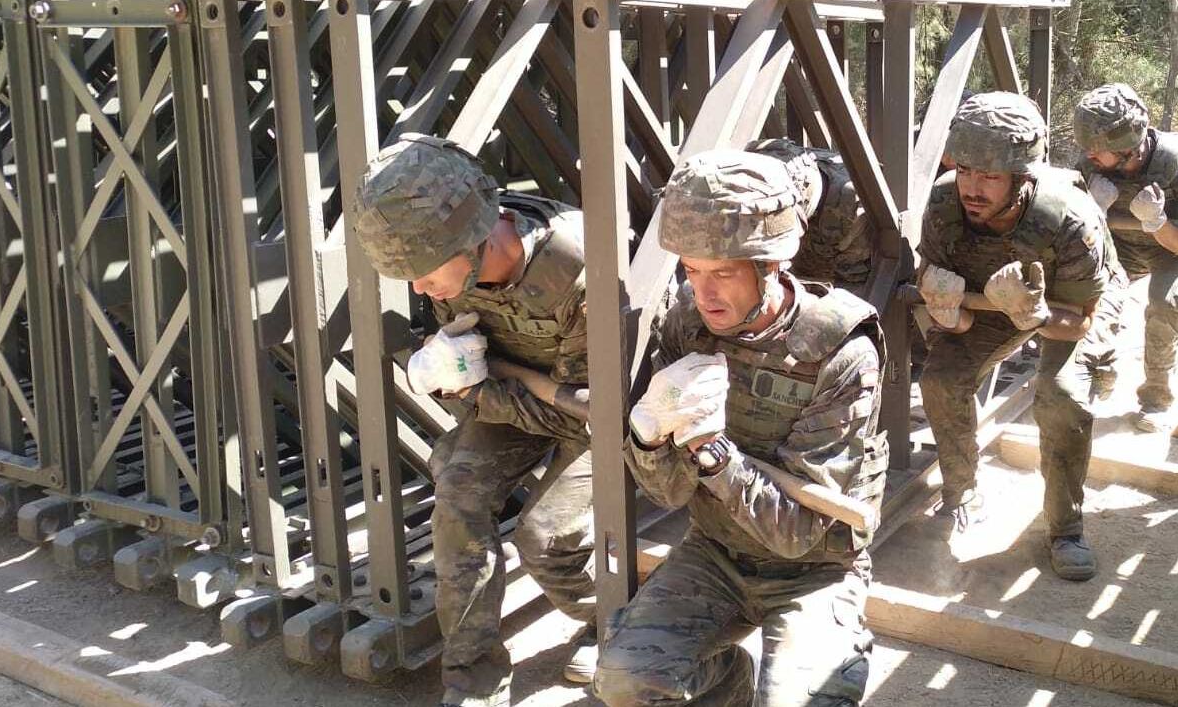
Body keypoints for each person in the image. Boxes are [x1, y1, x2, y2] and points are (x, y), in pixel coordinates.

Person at [594, 149, 887, 706]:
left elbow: (797, 535)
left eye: (723, 273)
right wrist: (650, 435)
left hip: (813, 571)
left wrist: (711, 450)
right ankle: (729, 685)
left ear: (772, 264)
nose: (704, 294)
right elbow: (669, 492)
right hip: (716, 554)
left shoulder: (840, 350)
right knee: (624, 680)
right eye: (691, 270)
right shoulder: (688, 322)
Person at [348, 133, 595, 707]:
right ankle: (472, 680)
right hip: (521, 399)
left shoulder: (577, 269)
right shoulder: (446, 248)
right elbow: (474, 372)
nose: (417, 287)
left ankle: (614, 618)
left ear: (477, 239)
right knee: (458, 494)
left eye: (425, 271)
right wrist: (461, 380)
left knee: (545, 538)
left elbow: (589, 410)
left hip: (594, 418)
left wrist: (480, 393)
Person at [917, 92, 1115, 581]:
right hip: (992, 303)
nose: (973, 188)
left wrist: (1033, 316)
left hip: (1067, 305)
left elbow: (1082, 319)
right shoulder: (944, 204)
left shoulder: (1068, 217)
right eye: (966, 171)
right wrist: (947, 310)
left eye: (990, 176)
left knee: (1063, 396)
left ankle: (1066, 529)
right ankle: (962, 492)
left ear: (1022, 178)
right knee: (941, 377)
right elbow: (953, 318)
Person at [1073, 83, 1178, 432]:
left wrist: (1156, 222)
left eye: (1096, 151)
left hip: (1174, 242)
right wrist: (1094, 211)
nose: (1089, 157)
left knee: (1166, 303)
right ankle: (1095, 371)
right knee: (1082, 289)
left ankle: (1156, 399)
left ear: (1128, 149)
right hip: (1121, 242)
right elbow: (1074, 231)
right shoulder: (1092, 163)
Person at [746, 138, 874, 288]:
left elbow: (853, 289)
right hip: (802, 190)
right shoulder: (766, 159)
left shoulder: (852, 210)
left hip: (827, 255)